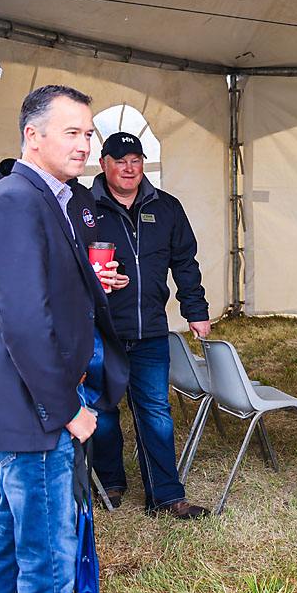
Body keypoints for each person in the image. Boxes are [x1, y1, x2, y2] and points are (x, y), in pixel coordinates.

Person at [0, 85, 128, 593]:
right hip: (35, 409)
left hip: (35, 402)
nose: (84, 145)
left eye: (88, 133)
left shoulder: (57, 198)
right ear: (32, 136)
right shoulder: (15, 202)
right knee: (50, 561)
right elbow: (23, 322)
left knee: (11, 540)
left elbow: (42, 291)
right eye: (71, 132)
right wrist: (67, 409)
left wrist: (90, 285)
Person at [89, 131, 213, 519]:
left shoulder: (166, 207)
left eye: (136, 160)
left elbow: (185, 263)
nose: (129, 168)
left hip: (151, 330)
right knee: (103, 409)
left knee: (156, 412)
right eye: (120, 161)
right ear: (103, 164)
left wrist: (196, 310)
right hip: (101, 330)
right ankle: (110, 482)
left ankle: (165, 495)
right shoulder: (84, 208)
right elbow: (67, 262)